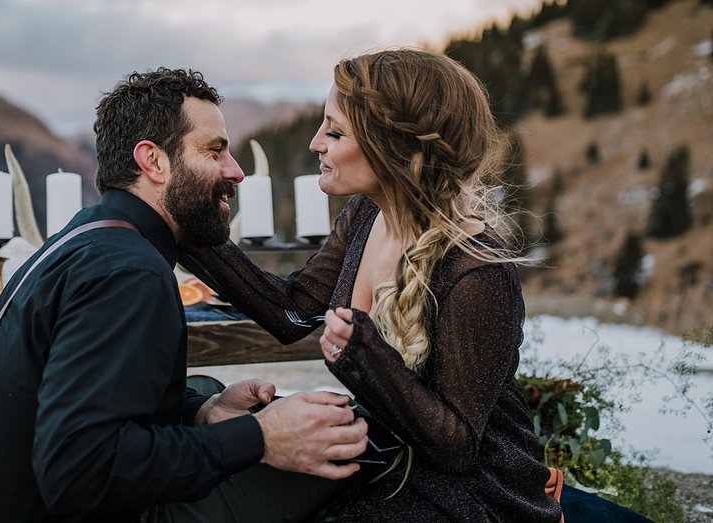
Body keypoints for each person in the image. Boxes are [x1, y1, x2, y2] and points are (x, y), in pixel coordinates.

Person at [179, 49, 654, 522]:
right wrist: (184, 227)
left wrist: (368, 359)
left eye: (336, 131)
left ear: (396, 147)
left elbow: (456, 446)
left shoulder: (477, 269)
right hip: (389, 461)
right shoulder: (366, 215)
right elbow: (292, 311)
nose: (315, 143)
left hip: (474, 490)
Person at [0, 68, 369, 522]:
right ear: (154, 161)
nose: (236, 172)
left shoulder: (84, 239)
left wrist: (202, 412)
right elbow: (78, 471)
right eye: (215, 151)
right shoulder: (129, 273)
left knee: (204, 390)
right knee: (347, 451)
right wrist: (263, 438)